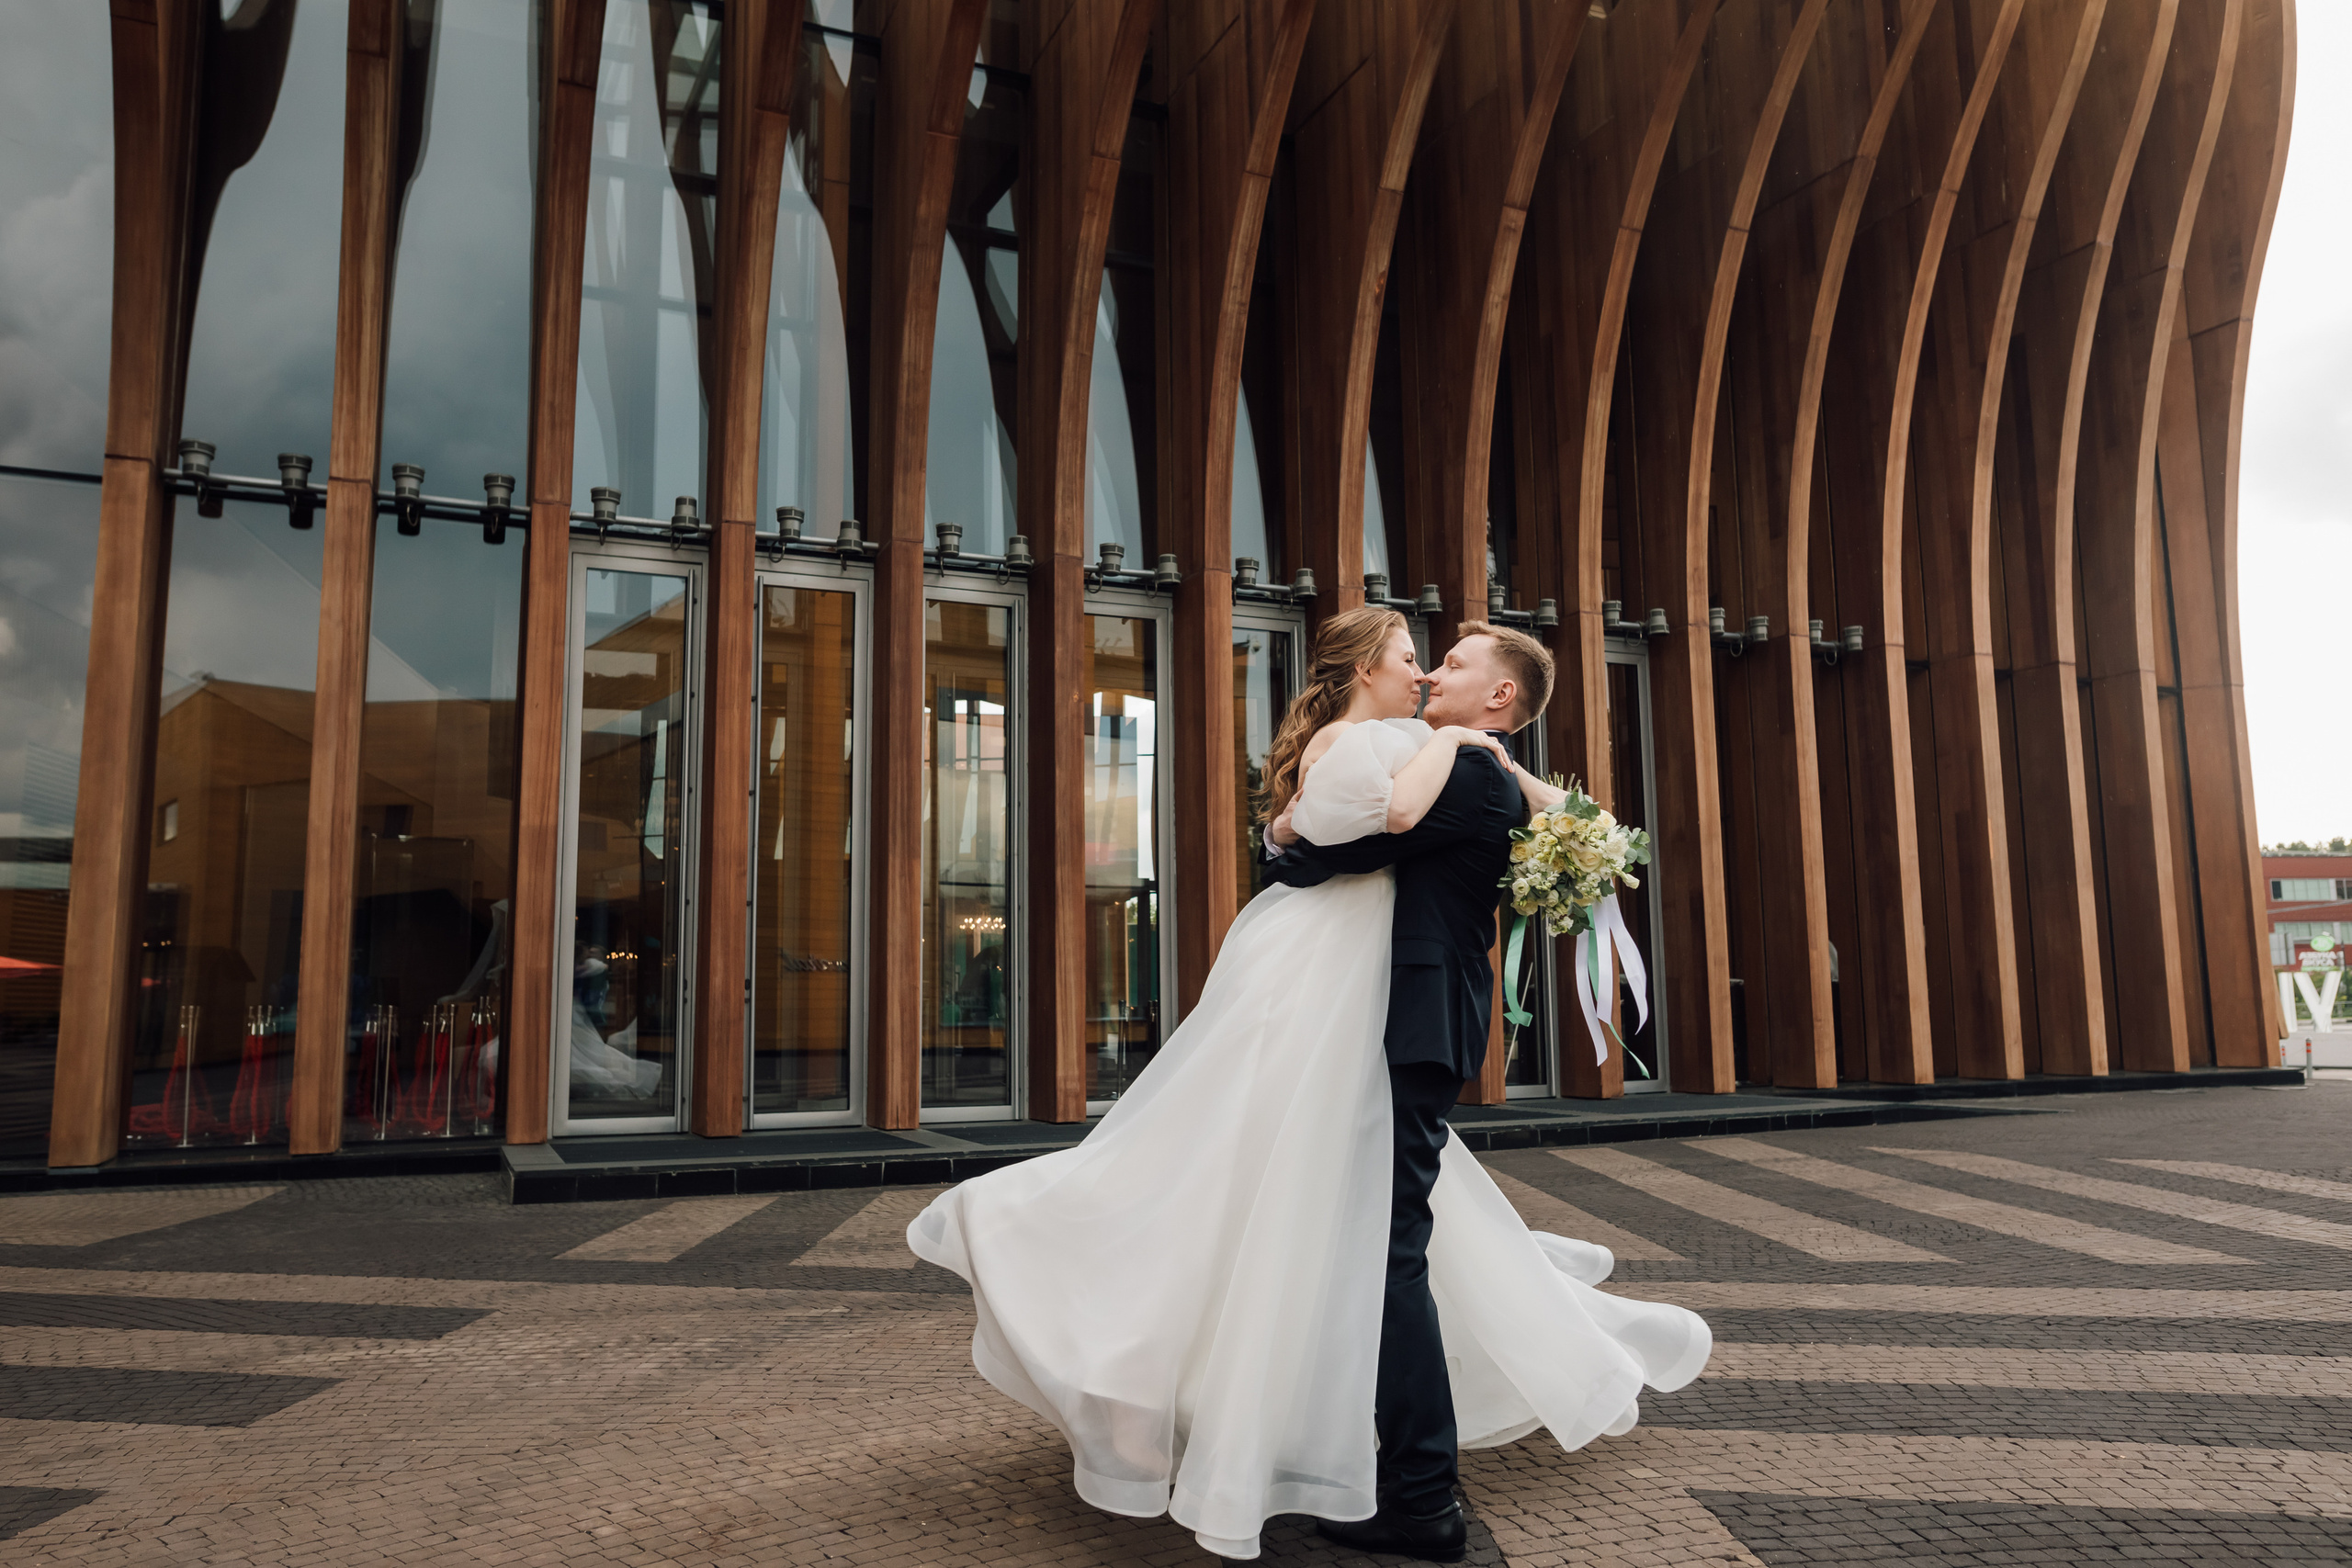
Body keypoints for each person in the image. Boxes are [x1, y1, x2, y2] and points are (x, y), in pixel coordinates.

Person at [907, 606, 1710, 1562]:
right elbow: (1367, 837)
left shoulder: (1457, 766)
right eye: (1422, 659)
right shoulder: (1442, 755)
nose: (1428, 676)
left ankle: (1415, 1496)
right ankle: (1357, 1458)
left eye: (1447, 663)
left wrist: (1299, 836)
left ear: (1498, 695)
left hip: (1394, 1027)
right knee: (1348, 1240)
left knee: (1380, 1250)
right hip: (1376, 1024)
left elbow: (1351, 846)